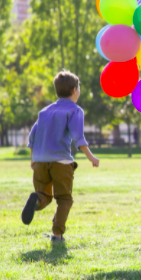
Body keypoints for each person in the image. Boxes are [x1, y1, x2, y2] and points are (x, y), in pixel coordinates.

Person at [21, 71, 100, 242]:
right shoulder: (75, 110)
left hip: (41, 161)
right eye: (79, 88)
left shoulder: (45, 111)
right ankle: (57, 235)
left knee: (44, 196)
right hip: (61, 162)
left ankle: (36, 200)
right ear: (74, 90)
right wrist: (91, 157)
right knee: (64, 199)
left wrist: (33, 159)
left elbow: (32, 137)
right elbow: (79, 138)